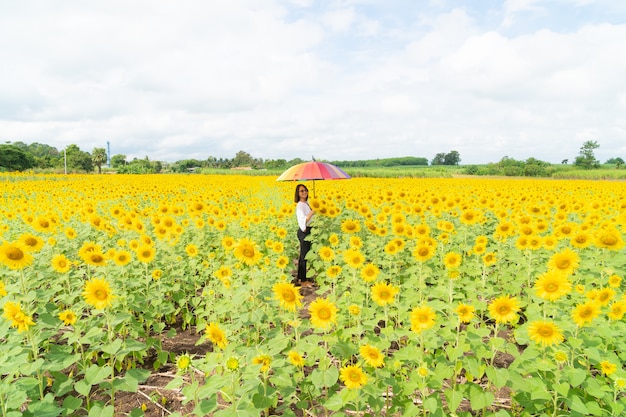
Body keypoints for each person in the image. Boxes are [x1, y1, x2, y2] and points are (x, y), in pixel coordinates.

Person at [295, 184, 314, 286]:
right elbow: (303, 221)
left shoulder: (306, 203)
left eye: (305, 190)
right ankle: (302, 281)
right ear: (298, 193)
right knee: (304, 257)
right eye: (301, 191)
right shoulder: (300, 205)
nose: (304, 192)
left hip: (309, 231)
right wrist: (312, 211)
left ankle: (300, 278)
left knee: (305, 256)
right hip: (304, 232)